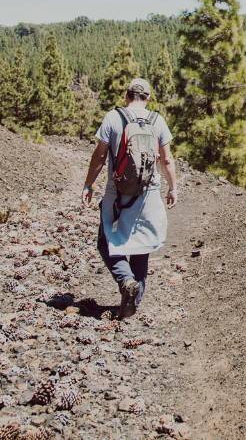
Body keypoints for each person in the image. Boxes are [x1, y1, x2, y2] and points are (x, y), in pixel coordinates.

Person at [82, 77, 177, 318]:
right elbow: (166, 160)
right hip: (149, 194)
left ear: (127, 96)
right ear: (148, 98)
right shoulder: (158, 121)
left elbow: (100, 156)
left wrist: (88, 184)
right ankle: (130, 307)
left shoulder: (113, 118)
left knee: (106, 242)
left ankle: (125, 281)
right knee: (141, 246)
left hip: (118, 193)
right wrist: (172, 187)